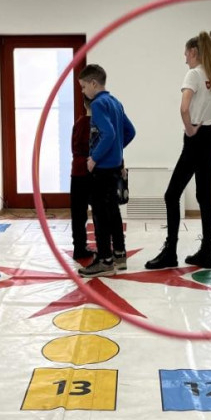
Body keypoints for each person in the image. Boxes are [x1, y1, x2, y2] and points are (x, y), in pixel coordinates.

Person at [145, 31, 211, 270]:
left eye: (186, 53)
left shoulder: (194, 74)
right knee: (204, 196)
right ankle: (206, 252)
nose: (185, 58)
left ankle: (170, 252)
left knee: (171, 195)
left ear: (194, 52)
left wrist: (189, 129)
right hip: (210, 139)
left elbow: (184, 108)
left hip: (196, 140)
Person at [77, 64, 135, 278]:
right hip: (115, 167)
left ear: (93, 83)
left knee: (100, 215)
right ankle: (119, 254)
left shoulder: (98, 104)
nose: (83, 91)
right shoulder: (115, 102)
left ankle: (104, 260)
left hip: (102, 169)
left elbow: (109, 134)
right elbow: (130, 131)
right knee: (113, 211)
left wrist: (95, 158)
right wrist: (117, 151)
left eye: (84, 87)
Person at [70, 96, 96, 260]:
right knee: (99, 212)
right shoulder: (97, 124)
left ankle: (79, 247)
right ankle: (104, 248)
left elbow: (74, 147)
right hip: (93, 171)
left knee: (78, 214)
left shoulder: (79, 123)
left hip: (77, 171)